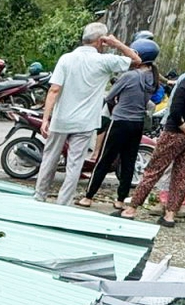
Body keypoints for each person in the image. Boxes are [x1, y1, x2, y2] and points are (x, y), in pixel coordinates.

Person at [120, 39, 185, 225]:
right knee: (183, 175)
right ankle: (170, 215)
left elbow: (175, 112)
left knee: (153, 170)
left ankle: (131, 209)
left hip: (174, 133)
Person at [33, 22, 141, 204]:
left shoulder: (66, 59)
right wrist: (116, 44)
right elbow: (137, 60)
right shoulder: (105, 61)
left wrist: (45, 119)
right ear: (101, 41)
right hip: (85, 122)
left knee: (50, 159)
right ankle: (63, 203)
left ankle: (39, 196)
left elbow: (54, 90)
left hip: (61, 119)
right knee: (74, 164)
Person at [80, 43, 159, 207]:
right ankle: (120, 200)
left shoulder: (129, 76)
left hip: (120, 122)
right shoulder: (153, 78)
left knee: (105, 159)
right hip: (137, 124)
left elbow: (110, 97)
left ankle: (88, 196)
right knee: (128, 162)